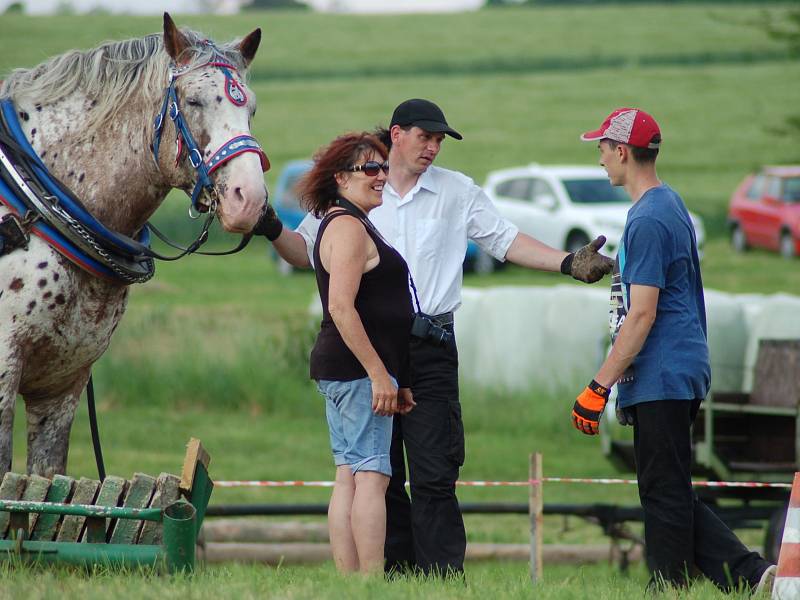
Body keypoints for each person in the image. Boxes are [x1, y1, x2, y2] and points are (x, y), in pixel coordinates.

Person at [254, 99, 613, 577]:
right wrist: (269, 226)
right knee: (380, 473)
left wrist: (567, 262)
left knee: (434, 472)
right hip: (373, 349)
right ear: (397, 134)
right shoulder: (358, 189)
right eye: (426, 136)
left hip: (431, 344)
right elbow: (304, 251)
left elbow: (504, 240)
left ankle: (441, 578)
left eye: (440, 139)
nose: (434, 147)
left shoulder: (455, 190)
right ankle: (396, 578)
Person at [571, 107, 776, 593]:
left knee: (662, 493)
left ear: (622, 151)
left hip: (661, 370)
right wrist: (613, 266)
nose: (599, 157)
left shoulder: (647, 218)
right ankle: (751, 576)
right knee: (668, 490)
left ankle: (669, 587)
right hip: (677, 368)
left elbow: (642, 315)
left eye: (601, 147)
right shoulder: (667, 205)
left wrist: (598, 386)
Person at [299, 131, 416, 575]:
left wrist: (393, 375)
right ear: (340, 178)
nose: (382, 176)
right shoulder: (347, 227)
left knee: (349, 471)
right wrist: (379, 375)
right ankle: (369, 580)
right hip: (356, 370)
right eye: (370, 168)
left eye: (383, 167)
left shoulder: (347, 221)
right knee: (372, 475)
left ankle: (350, 582)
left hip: (345, 370)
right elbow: (342, 308)